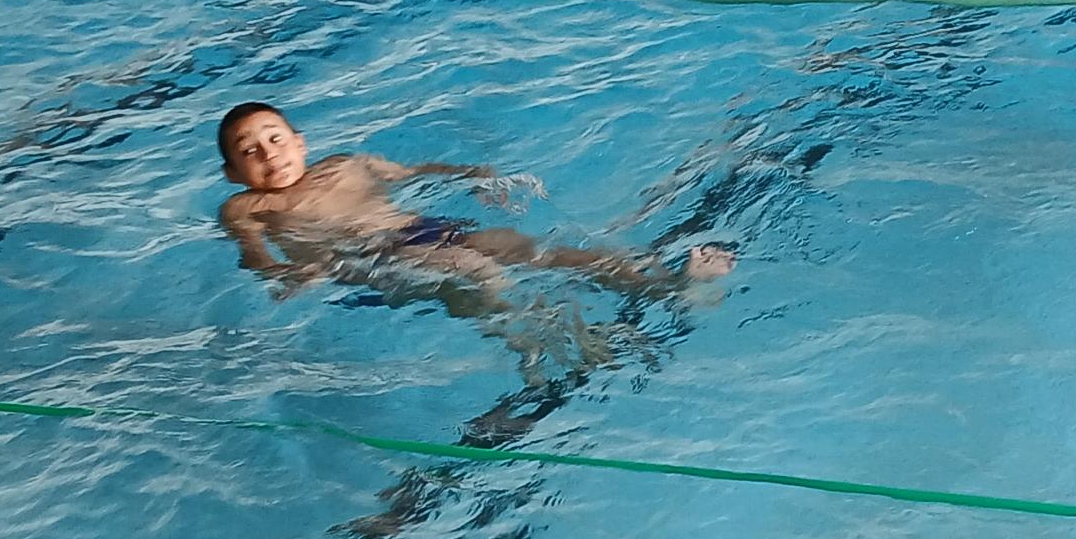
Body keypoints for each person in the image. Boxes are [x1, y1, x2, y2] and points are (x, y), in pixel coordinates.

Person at [217, 102, 734, 302]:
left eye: (275, 138)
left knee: (538, 251)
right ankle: (530, 336)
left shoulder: (345, 164)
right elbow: (255, 257)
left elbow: (418, 172)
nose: (268, 153)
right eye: (250, 151)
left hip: (424, 229)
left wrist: (477, 176)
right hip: (367, 257)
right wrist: (289, 275)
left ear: (300, 142)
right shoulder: (245, 207)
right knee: (474, 270)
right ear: (233, 174)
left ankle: (666, 286)